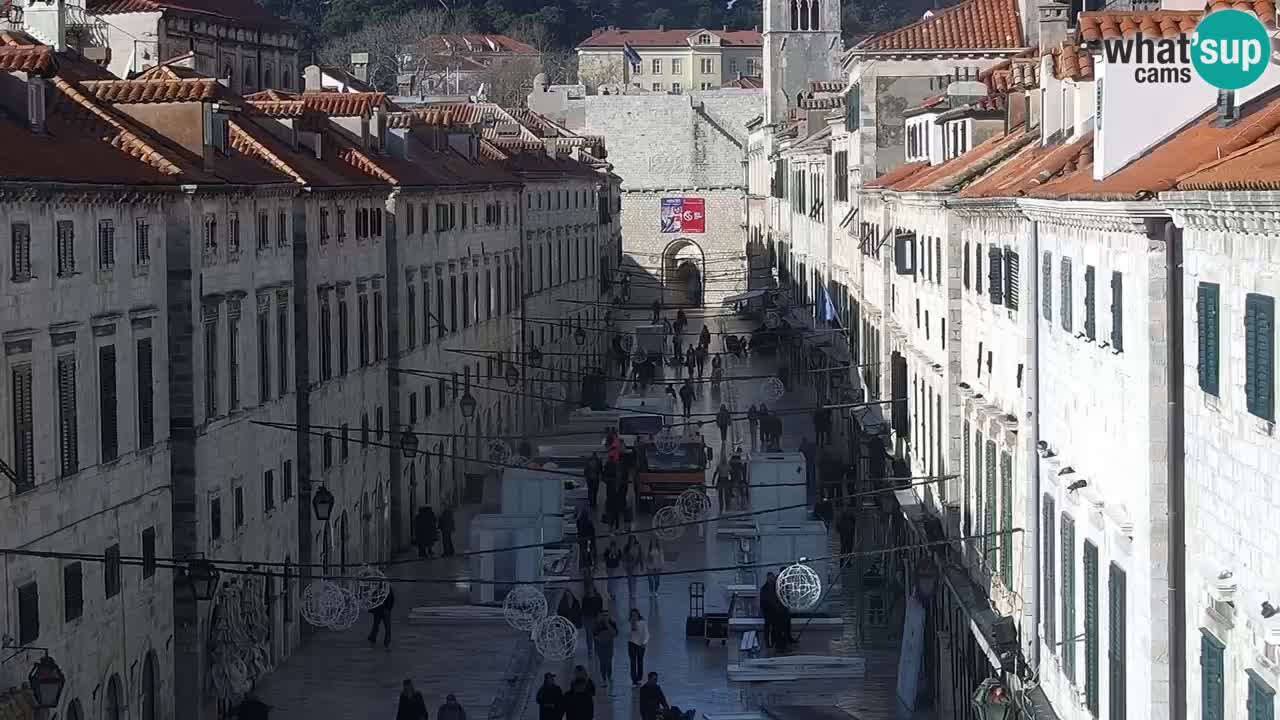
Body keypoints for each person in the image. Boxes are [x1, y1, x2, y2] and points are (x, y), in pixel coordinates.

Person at [592, 609, 619, 688]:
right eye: (603, 615)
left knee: (609, 661)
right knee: (602, 662)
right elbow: (594, 635)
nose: (605, 617)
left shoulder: (612, 623)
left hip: (609, 646)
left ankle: (609, 676)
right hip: (600, 646)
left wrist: (608, 625)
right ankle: (603, 678)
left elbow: (615, 634)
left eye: (606, 615)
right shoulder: (597, 624)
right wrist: (599, 639)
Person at [627, 608, 650, 686]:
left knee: (640, 661)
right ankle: (634, 679)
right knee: (633, 662)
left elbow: (647, 634)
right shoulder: (629, 624)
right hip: (632, 644)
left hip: (640, 645)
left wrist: (644, 643)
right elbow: (628, 635)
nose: (634, 616)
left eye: (635, 614)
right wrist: (632, 624)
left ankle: (639, 678)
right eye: (632, 615)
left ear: (638, 614)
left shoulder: (643, 623)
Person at [581, 583, 604, 658]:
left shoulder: (598, 597)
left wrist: (600, 617)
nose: (590, 590)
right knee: (589, 635)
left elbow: (600, 608)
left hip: (596, 619)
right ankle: (590, 650)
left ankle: (597, 649)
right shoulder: (585, 598)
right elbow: (583, 609)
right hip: (588, 619)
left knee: (596, 634)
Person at [760, 572, 779, 650]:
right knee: (768, 628)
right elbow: (763, 601)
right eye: (771, 578)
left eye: (773, 577)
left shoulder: (773, 588)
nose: (773, 579)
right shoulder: (765, 588)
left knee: (774, 627)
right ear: (768, 578)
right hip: (768, 611)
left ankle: (773, 641)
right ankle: (768, 643)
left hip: (773, 610)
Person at [623, 535, 644, 604]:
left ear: (635, 539)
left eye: (633, 539)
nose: (632, 540)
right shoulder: (626, 547)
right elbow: (624, 556)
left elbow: (640, 555)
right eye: (631, 539)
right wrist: (626, 564)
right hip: (628, 566)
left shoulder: (638, 546)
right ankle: (630, 592)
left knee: (634, 580)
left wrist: (641, 565)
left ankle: (633, 593)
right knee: (629, 580)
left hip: (635, 565)